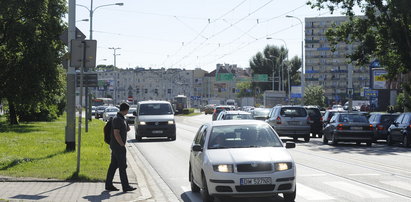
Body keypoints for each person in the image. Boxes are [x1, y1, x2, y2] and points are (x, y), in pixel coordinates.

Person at [105, 103, 137, 192]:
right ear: (126, 110)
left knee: (113, 165)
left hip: (116, 146)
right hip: (118, 146)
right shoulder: (117, 119)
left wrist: (125, 122)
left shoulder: (121, 118)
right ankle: (125, 186)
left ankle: (108, 185)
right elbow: (116, 133)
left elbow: (128, 129)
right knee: (122, 166)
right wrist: (122, 145)